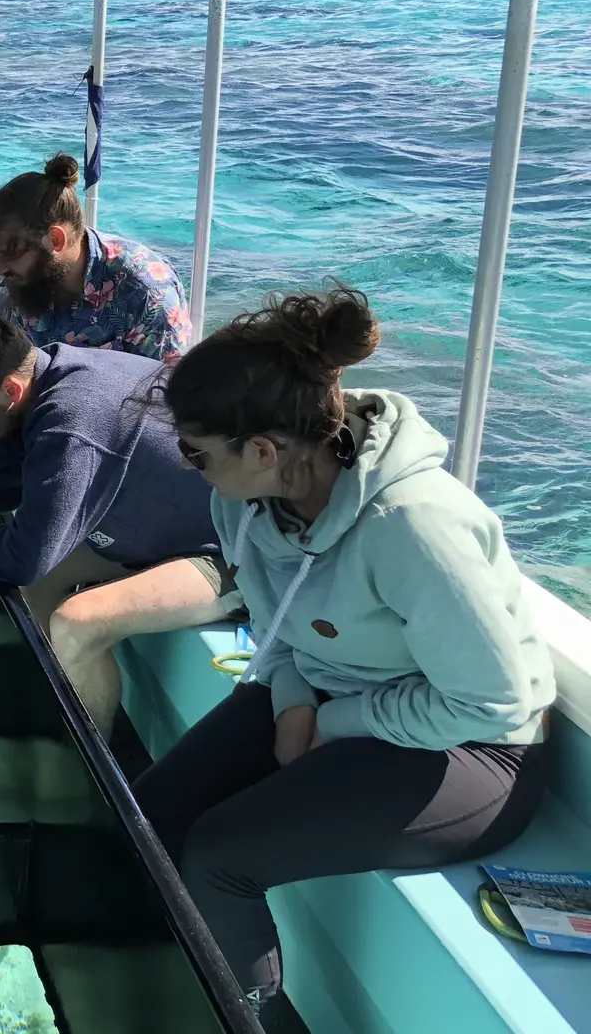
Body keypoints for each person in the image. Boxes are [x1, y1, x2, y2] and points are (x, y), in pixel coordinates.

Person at [136, 285, 555, 1033]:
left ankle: (255, 1020)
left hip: (471, 746)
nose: (186, 466)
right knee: (146, 820)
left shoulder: (413, 525)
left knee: (218, 856)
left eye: (194, 452)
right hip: (328, 694)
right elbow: (278, 628)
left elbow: (495, 702)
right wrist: (297, 702)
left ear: (263, 450)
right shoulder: (242, 499)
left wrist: (337, 723)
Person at [0, 305, 233, 732]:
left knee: (79, 622)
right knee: (29, 589)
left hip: (237, 553)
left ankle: (88, 779)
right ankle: (41, 711)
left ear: (9, 391)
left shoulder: (73, 420)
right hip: (157, 527)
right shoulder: (47, 377)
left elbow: (26, 555)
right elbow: (1, 475)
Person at [0, 152, 189, 365]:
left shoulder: (145, 295)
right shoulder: (20, 280)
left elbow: (160, 389)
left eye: (10, 253)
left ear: (55, 240)